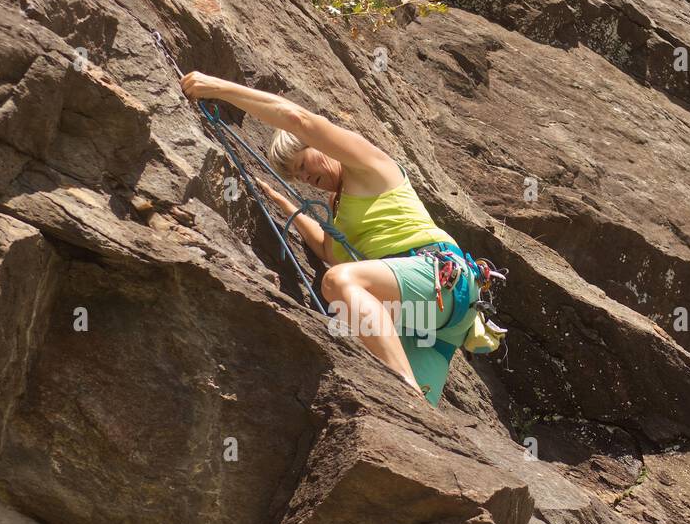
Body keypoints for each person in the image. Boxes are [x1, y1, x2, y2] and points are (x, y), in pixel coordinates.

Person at [180, 71, 478, 403]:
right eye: (298, 175)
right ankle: (414, 403)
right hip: (431, 321)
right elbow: (328, 251)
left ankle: (404, 387)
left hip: (440, 277)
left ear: (320, 147)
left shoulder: (368, 166)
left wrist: (219, 87)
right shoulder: (339, 211)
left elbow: (298, 119)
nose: (306, 177)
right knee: (418, 414)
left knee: (338, 284)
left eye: (303, 163)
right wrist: (282, 204)